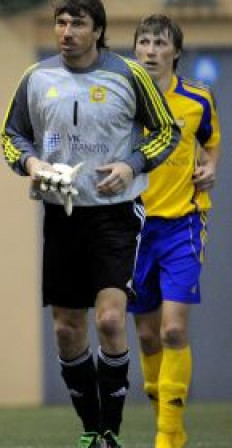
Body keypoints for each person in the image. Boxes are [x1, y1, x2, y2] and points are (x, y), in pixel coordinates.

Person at [1, 1, 180, 447]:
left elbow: (166, 132)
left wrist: (131, 164)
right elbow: (11, 136)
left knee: (110, 320)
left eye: (77, 23)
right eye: (60, 22)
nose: (66, 31)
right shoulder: (35, 78)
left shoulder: (127, 75)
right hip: (62, 215)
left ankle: (112, 433)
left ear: (97, 30)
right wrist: (30, 161)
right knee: (66, 329)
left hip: (115, 214)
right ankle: (90, 428)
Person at [130, 15, 221, 448]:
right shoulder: (123, 99)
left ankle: (169, 435)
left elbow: (212, 140)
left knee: (171, 331)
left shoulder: (197, 99)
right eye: (143, 42)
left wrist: (210, 166)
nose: (150, 50)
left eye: (158, 43)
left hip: (183, 224)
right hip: (133, 228)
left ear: (175, 52)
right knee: (147, 335)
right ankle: (163, 414)